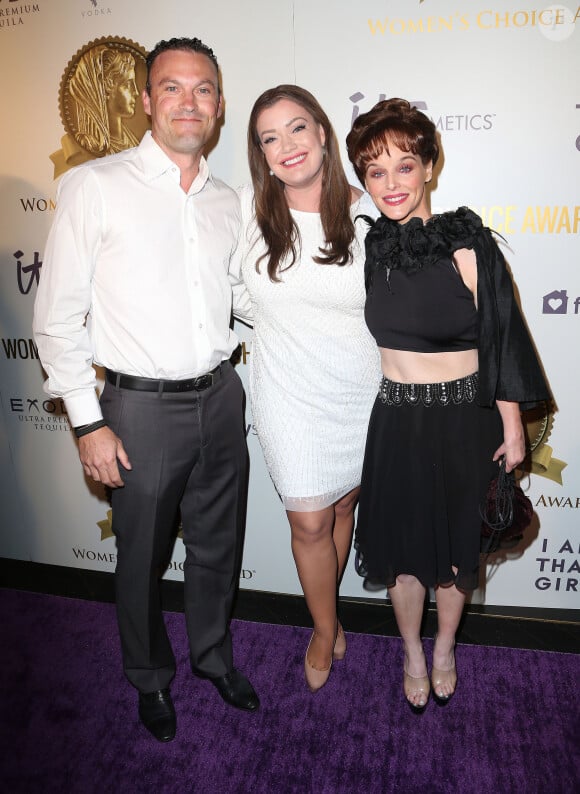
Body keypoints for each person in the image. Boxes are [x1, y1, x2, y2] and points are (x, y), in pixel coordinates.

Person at [33, 37, 259, 743]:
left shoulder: (233, 202)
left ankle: (213, 656)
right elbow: (56, 318)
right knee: (141, 558)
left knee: (220, 545)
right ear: (146, 100)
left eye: (202, 90)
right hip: (137, 409)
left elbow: (253, 298)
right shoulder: (95, 186)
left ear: (219, 106)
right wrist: (86, 422)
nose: (188, 102)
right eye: (172, 88)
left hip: (222, 399)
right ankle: (149, 678)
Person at [345, 98, 550, 710]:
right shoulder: (371, 250)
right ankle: (411, 651)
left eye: (404, 167)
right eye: (375, 172)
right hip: (398, 423)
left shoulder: (468, 245)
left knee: (457, 554)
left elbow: (502, 336)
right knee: (405, 559)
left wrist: (513, 427)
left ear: (430, 166)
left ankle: (444, 648)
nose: (390, 184)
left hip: (466, 421)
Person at [236, 85, 380, 692]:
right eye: (271, 137)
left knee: (344, 504)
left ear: (323, 133)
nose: (287, 146)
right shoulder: (249, 210)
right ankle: (324, 628)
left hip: (360, 391)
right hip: (287, 391)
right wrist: (270, 321)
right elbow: (233, 290)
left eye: (298, 129)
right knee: (308, 520)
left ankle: (328, 613)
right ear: (262, 155)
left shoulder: (371, 212)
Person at [69, 45, 140, 155]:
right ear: (107, 87)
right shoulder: (91, 146)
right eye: (127, 85)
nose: (136, 92)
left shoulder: (131, 142)